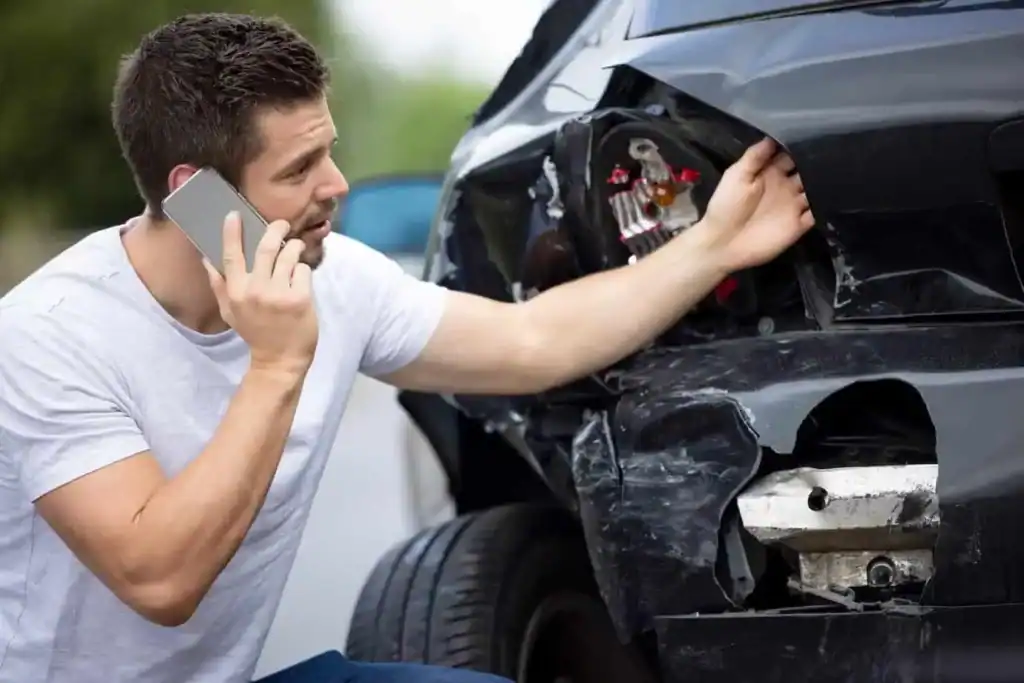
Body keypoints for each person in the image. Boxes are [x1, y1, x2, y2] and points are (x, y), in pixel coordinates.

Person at [0, 12, 815, 683]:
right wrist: (281, 363)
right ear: (196, 194)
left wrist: (714, 244)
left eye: (330, 149)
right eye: (301, 167)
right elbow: (160, 577)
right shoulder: (49, 335)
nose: (338, 185)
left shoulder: (337, 280)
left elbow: (534, 341)